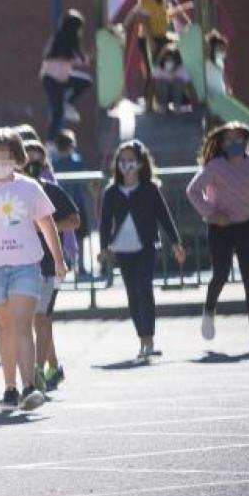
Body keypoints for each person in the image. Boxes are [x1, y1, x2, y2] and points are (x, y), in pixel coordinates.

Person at [0, 128, 66, 413]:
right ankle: (9, 387)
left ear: (17, 157)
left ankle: (29, 385)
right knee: (4, 327)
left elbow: (47, 224)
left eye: (7, 156)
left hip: (26, 267)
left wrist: (58, 260)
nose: (1, 162)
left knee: (22, 325)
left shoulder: (29, 187)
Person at [186, 122, 249, 352]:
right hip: (221, 229)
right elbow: (193, 191)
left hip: (247, 226)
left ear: (246, 140)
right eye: (228, 140)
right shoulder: (215, 166)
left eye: (238, 139)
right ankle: (209, 310)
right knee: (221, 275)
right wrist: (212, 214)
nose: (234, 144)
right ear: (221, 143)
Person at [99, 140, 186, 362]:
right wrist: (103, 248)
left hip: (146, 246)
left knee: (144, 287)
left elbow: (164, 216)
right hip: (122, 249)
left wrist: (176, 243)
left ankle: (149, 340)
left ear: (140, 163)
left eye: (131, 160)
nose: (126, 164)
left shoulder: (150, 189)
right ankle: (141, 339)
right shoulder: (111, 191)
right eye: (122, 160)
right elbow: (104, 221)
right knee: (133, 294)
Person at [22, 140, 81, 390]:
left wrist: (47, 227)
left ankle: (36, 373)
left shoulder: (51, 190)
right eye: (27, 159)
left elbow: (75, 220)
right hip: (19, 264)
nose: (32, 165)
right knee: (36, 320)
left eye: (37, 160)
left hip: (49, 264)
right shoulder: (9, 193)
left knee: (41, 317)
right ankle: (53, 366)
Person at [40, 9, 91, 141]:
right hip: (51, 79)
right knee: (58, 112)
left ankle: (68, 103)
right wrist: (78, 60)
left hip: (63, 77)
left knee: (85, 82)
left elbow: (79, 58)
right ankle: (50, 142)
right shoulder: (59, 38)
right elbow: (59, 57)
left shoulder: (73, 41)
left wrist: (85, 58)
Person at [52, 130, 93, 277]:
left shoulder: (54, 163)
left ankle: (68, 262)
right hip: (77, 203)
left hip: (61, 205)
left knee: (63, 234)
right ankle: (80, 265)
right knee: (80, 235)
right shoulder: (77, 161)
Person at [152, 43, 196, 112]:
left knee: (178, 82)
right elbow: (151, 84)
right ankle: (163, 107)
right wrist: (148, 105)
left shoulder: (181, 68)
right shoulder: (158, 68)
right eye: (167, 58)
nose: (169, 60)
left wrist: (195, 101)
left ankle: (177, 106)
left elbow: (189, 85)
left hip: (177, 96)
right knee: (161, 83)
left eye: (171, 58)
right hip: (162, 95)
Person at [205, 30, 231, 100]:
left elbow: (223, 75)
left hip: (221, 94)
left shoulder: (220, 61)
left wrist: (228, 88)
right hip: (212, 94)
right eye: (221, 48)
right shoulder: (208, 60)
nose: (223, 51)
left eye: (224, 49)